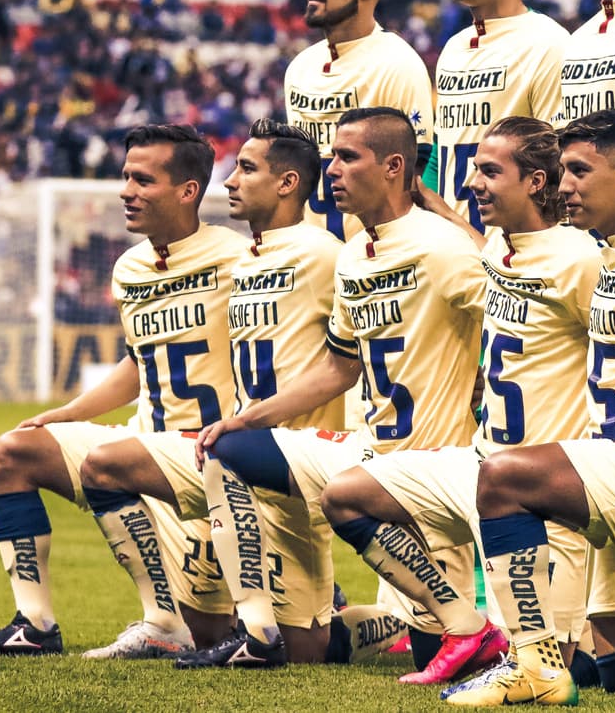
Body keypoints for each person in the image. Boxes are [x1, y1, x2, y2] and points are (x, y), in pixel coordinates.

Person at [191, 107, 487, 673]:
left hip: (430, 468)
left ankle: (452, 626)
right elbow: (339, 368)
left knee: (595, 672)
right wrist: (247, 420)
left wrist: (480, 391)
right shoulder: (354, 252)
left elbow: (507, 329)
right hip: (366, 453)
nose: (332, 169)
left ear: (395, 166)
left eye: (348, 157)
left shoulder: (443, 248)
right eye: (331, 157)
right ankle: (260, 634)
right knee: (224, 450)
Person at [321, 116, 599, 685]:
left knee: (581, 673)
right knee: (346, 494)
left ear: (537, 183)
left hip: (547, 486)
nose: (473, 182)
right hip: (478, 466)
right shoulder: (497, 248)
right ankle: (457, 623)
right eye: (474, 169)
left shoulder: (579, 258)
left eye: (489, 171)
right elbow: (476, 260)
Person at [0, 125, 245, 658]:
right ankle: (38, 625)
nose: (125, 191)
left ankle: (201, 615)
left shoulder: (239, 259)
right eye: (125, 177)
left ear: (187, 191)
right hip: (136, 449)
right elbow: (140, 361)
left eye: (142, 179)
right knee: (11, 453)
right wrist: (65, 414)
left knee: (260, 640)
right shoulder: (129, 267)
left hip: (208, 463)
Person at [74, 120, 347, 667]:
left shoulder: (323, 253)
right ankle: (193, 623)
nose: (231, 181)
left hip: (292, 455)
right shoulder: (247, 258)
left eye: (246, 169)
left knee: (313, 652)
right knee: (274, 644)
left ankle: (392, 627)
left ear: (288, 182)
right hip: (233, 460)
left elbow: (350, 357)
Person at [441, 109, 615, 706]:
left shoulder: (608, 258)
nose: (566, 184)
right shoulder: (539, 250)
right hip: (569, 462)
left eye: (577, 171)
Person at [425, 0, 566, 232]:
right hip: (452, 253)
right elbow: (440, 155)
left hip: (512, 254)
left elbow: (559, 166)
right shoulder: (454, 48)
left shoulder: (550, 43)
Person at [283, 0, 433, 240]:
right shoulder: (300, 67)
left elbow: (415, 181)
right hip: (310, 260)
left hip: (371, 261)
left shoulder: (398, 64)